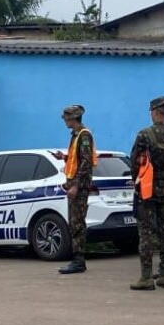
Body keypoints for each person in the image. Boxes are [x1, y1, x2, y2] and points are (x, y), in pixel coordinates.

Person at [129, 96, 164, 291]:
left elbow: (135, 161)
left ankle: (146, 277)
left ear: (156, 112)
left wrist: (137, 180)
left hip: (147, 189)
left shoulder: (145, 135)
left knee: (146, 232)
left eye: (151, 111)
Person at [52, 104, 96, 275]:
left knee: (77, 223)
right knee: (74, 222)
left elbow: (86, 162)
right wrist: (64, 157)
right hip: (74, 184)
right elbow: (77, 159)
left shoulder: (84, 135)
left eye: (66, 119)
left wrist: (76, 185)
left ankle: (78, 261)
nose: (65, 121)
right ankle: (77, 260)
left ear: (72, 119)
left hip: (79, 186)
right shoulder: (76, 135)